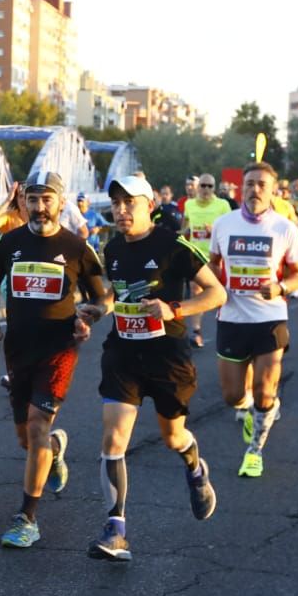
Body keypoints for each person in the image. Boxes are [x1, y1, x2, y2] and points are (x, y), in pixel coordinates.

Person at [88, 175, 226, 561]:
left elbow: (217, 292)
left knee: (172, 438)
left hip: (167, 357)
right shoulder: (112, 248)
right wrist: (98, 309)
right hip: (123, 355)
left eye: (129, 203)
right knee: (113, 439)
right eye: (115, 203)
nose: (121, 210)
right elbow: (117, 291)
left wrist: (175, 309)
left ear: (149, 205)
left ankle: (196, 466)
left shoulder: (172, 245)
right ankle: (116, 529)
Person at [0, 172, 110, 548]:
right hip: (18, 347)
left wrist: (90, 315)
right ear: (24, 204)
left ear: (61, 202)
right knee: (27, 439)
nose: (39, 206)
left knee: (37, 425)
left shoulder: (76, 247)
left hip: (59, 349)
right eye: (32, 199)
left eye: (46, 199)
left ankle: (27, 519)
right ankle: (54, 450)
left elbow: (101, 296)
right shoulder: (10, 243)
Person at [208, 162, 298, 477]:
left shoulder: (284, 228)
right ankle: (251, 408)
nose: (255, 189)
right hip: (232, 317)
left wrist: (281, 287)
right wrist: (213, 290)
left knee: (266, 390)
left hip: (270, 317)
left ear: (273, 190)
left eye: (262, 184)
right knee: (232, 396)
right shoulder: (223, 224)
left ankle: (254, 452)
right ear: (242, 188)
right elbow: (212, 264)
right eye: (250, 183)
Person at [180, 173, 231, 350]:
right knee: (196, 291)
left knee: (223, 294)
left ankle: (228, 325)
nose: (206, 189)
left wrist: (215, 230)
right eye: (203, 186)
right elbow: (185, 226)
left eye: (210, 186)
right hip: (196, 255)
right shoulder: (189, 204)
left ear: (214, 188)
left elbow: (230, 229)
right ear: (197, 187)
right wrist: (181, 238)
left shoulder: (222, 205)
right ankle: (196, 331)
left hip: (217, 256)